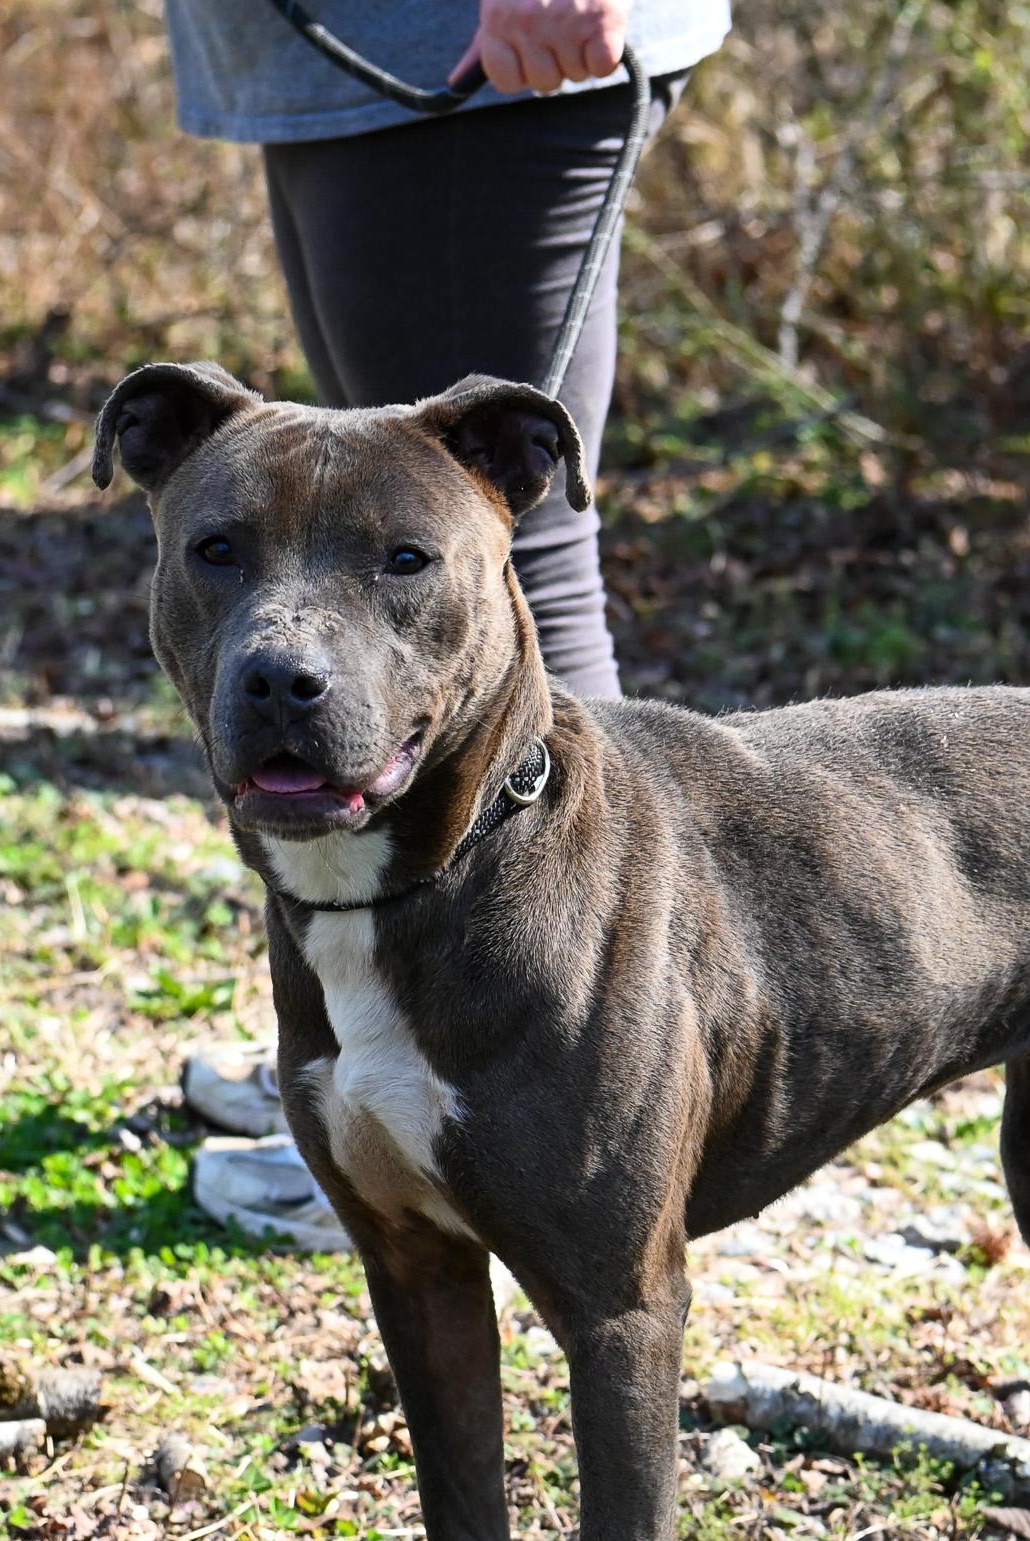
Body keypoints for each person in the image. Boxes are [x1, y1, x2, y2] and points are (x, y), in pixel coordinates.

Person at [163, 0, 730, 1249]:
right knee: (361, 528)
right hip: (341, 57)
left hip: (481, 46)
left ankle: (575, 1105)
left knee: (503, 572)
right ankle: (387, 1061)